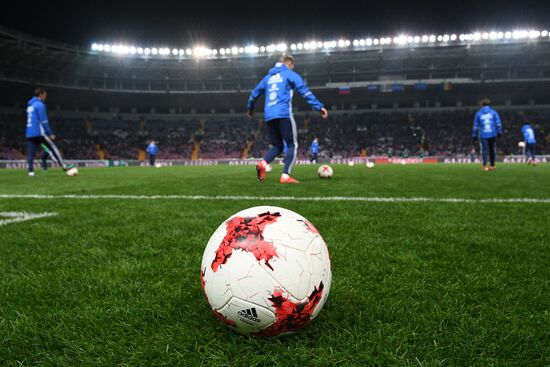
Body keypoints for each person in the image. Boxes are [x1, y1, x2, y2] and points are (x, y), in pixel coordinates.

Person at [247, 54, 328, 184]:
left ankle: (262, 163)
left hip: (268, 116)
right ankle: (285, 175)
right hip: (283, 113)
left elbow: (253, 94)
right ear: (289, 63)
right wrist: (319, 107)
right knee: (292, 145)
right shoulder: (289, 74)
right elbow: (304, 90)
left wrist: (250, 108)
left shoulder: (267, 78)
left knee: (277, 146)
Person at [25, 88, 73, 176]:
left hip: (29, 132)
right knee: (53, 147)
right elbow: (44, 121)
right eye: (45, 95)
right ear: (40, 95)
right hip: (39, 132)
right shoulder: (40, 105)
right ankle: (64, 166)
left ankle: (30, 171)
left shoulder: (29, 105)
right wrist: (50, 133)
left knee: (31, 152)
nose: (45, 97)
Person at [472, 98, 502, 171]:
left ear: (482, 104)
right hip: (492, 133)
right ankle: (492, 165)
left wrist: (474, 136)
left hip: (483, 134)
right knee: (492, 150)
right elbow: (498, 124)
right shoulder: (494, 112)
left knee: (484, 150)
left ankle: (485, 166)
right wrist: (499, 132)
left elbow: (475, 126)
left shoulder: (478, 113)